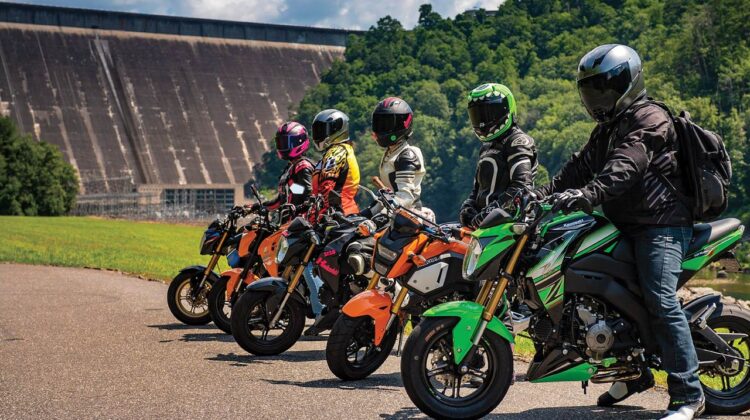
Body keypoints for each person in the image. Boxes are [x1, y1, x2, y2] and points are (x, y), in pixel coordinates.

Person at [534, 44, 703, 420]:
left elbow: (629, 163)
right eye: (592, 89)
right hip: (623, 224)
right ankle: (634, 372)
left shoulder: (650, 117)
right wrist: (540, 197)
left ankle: (689, 395)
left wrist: (589, 194)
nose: (599, 97)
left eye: (605, 88)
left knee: (660, 299)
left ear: (628, 82)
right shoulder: (606, 129)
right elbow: (575, 170)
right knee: (596, 289)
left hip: (661, 225)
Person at [303, 108, 360, 336]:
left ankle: (331, 308)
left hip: (338, 216)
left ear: (336, 130)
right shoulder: (333, 152)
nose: (318, 135)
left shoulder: (337, 152)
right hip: (330, 215)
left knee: (320, 261)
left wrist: (319, 213)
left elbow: (327, 188)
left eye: (323, 130)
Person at [459, 83, 538, 228]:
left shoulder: (518, 141)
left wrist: (490, 213)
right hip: (486, 227)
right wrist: (468, 207)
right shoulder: (486, 148)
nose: (483, 122)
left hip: (514, 226)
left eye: (490, 113)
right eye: (478, 115)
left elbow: (521, 187)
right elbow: (478, 188)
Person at [360, 97, 434, 221]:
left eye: (386, 125)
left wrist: (380, 218)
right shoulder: (391, 152)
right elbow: (389, 197)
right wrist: (364, 215)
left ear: (402, 124)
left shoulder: (407, 155)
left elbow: (405, 197)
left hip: (409, 218)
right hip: (394, 213)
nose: (380, 129)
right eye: (379, 124)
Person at [249, 121, 313, 217]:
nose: (284, 147)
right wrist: (259, 206)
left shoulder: (302, 166)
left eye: (288, 143)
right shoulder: (290, 168)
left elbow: (308, 194)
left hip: (300, 222)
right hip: (288, 221)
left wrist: (291, 185)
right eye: (281, 142)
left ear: (300, 141)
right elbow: (280, 200)